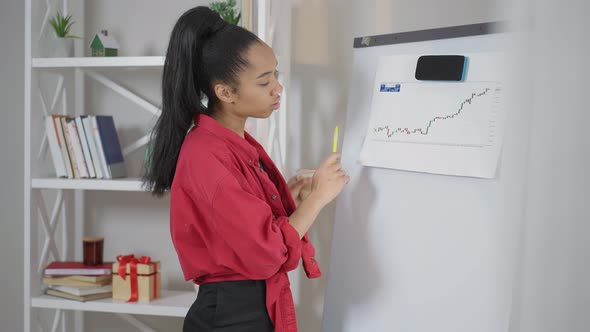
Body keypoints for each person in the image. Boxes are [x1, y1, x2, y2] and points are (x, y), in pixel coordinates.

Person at [144, 6, 349, 332]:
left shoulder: (233, 143)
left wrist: (290, 201)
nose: (277, 88)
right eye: (264, 81)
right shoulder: (207, 155)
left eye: (276, 75)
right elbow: (266, 249)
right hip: (233, 316)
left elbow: (245, 229)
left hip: (248, 308)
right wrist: (318, 198)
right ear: (225, 92)